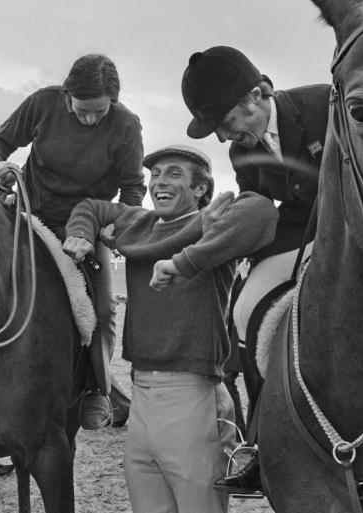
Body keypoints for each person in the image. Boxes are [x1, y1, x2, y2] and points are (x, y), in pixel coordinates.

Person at [64, 145, 278, 513]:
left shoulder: (213, 226)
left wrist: (189, 250)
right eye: (156, 174)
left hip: (192, 392)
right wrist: (82, 232)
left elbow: (261, 210)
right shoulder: (139, 222)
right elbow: (91, 207)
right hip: (141, 393)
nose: (160, 182)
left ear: (199, 190)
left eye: (175, 174)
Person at [180, 45, 329, 492]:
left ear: (258, 95)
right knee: (244, 309)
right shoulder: (241, 154)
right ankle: (262, 442)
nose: (225, 139)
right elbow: (258, 206)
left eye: (226, 125)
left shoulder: (326, 104)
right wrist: (230, 219)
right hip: (298, 231)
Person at [0, 53, 146, 428]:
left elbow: (133, 188)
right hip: (30, 215)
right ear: (67, 96)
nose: (90, 119)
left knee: (102, 309)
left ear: (114, 104)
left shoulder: (125, 126)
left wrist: (116, 225)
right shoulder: (43, 103)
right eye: (82, 111)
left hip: (88, 229)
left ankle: (97, 389)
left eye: (99, 113)